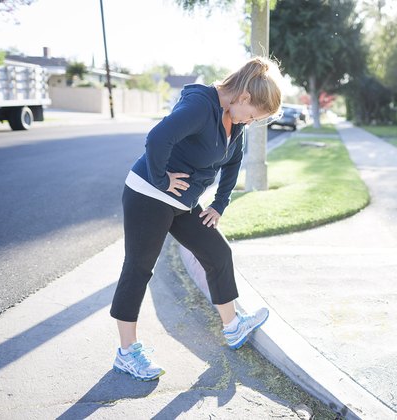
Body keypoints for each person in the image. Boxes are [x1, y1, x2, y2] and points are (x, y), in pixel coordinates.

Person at [110, 56, 283, 381]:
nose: (251, 121)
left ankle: (232, 327)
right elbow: (158, 139)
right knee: (138, 268)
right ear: (244, 97)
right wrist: (161, 179)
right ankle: (126, 352)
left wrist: (219, 204)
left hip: (182, 204)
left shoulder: (236, 123)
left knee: (218, 253)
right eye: (253, 114)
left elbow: (233, 165)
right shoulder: (201, 105)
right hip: (149, 194)